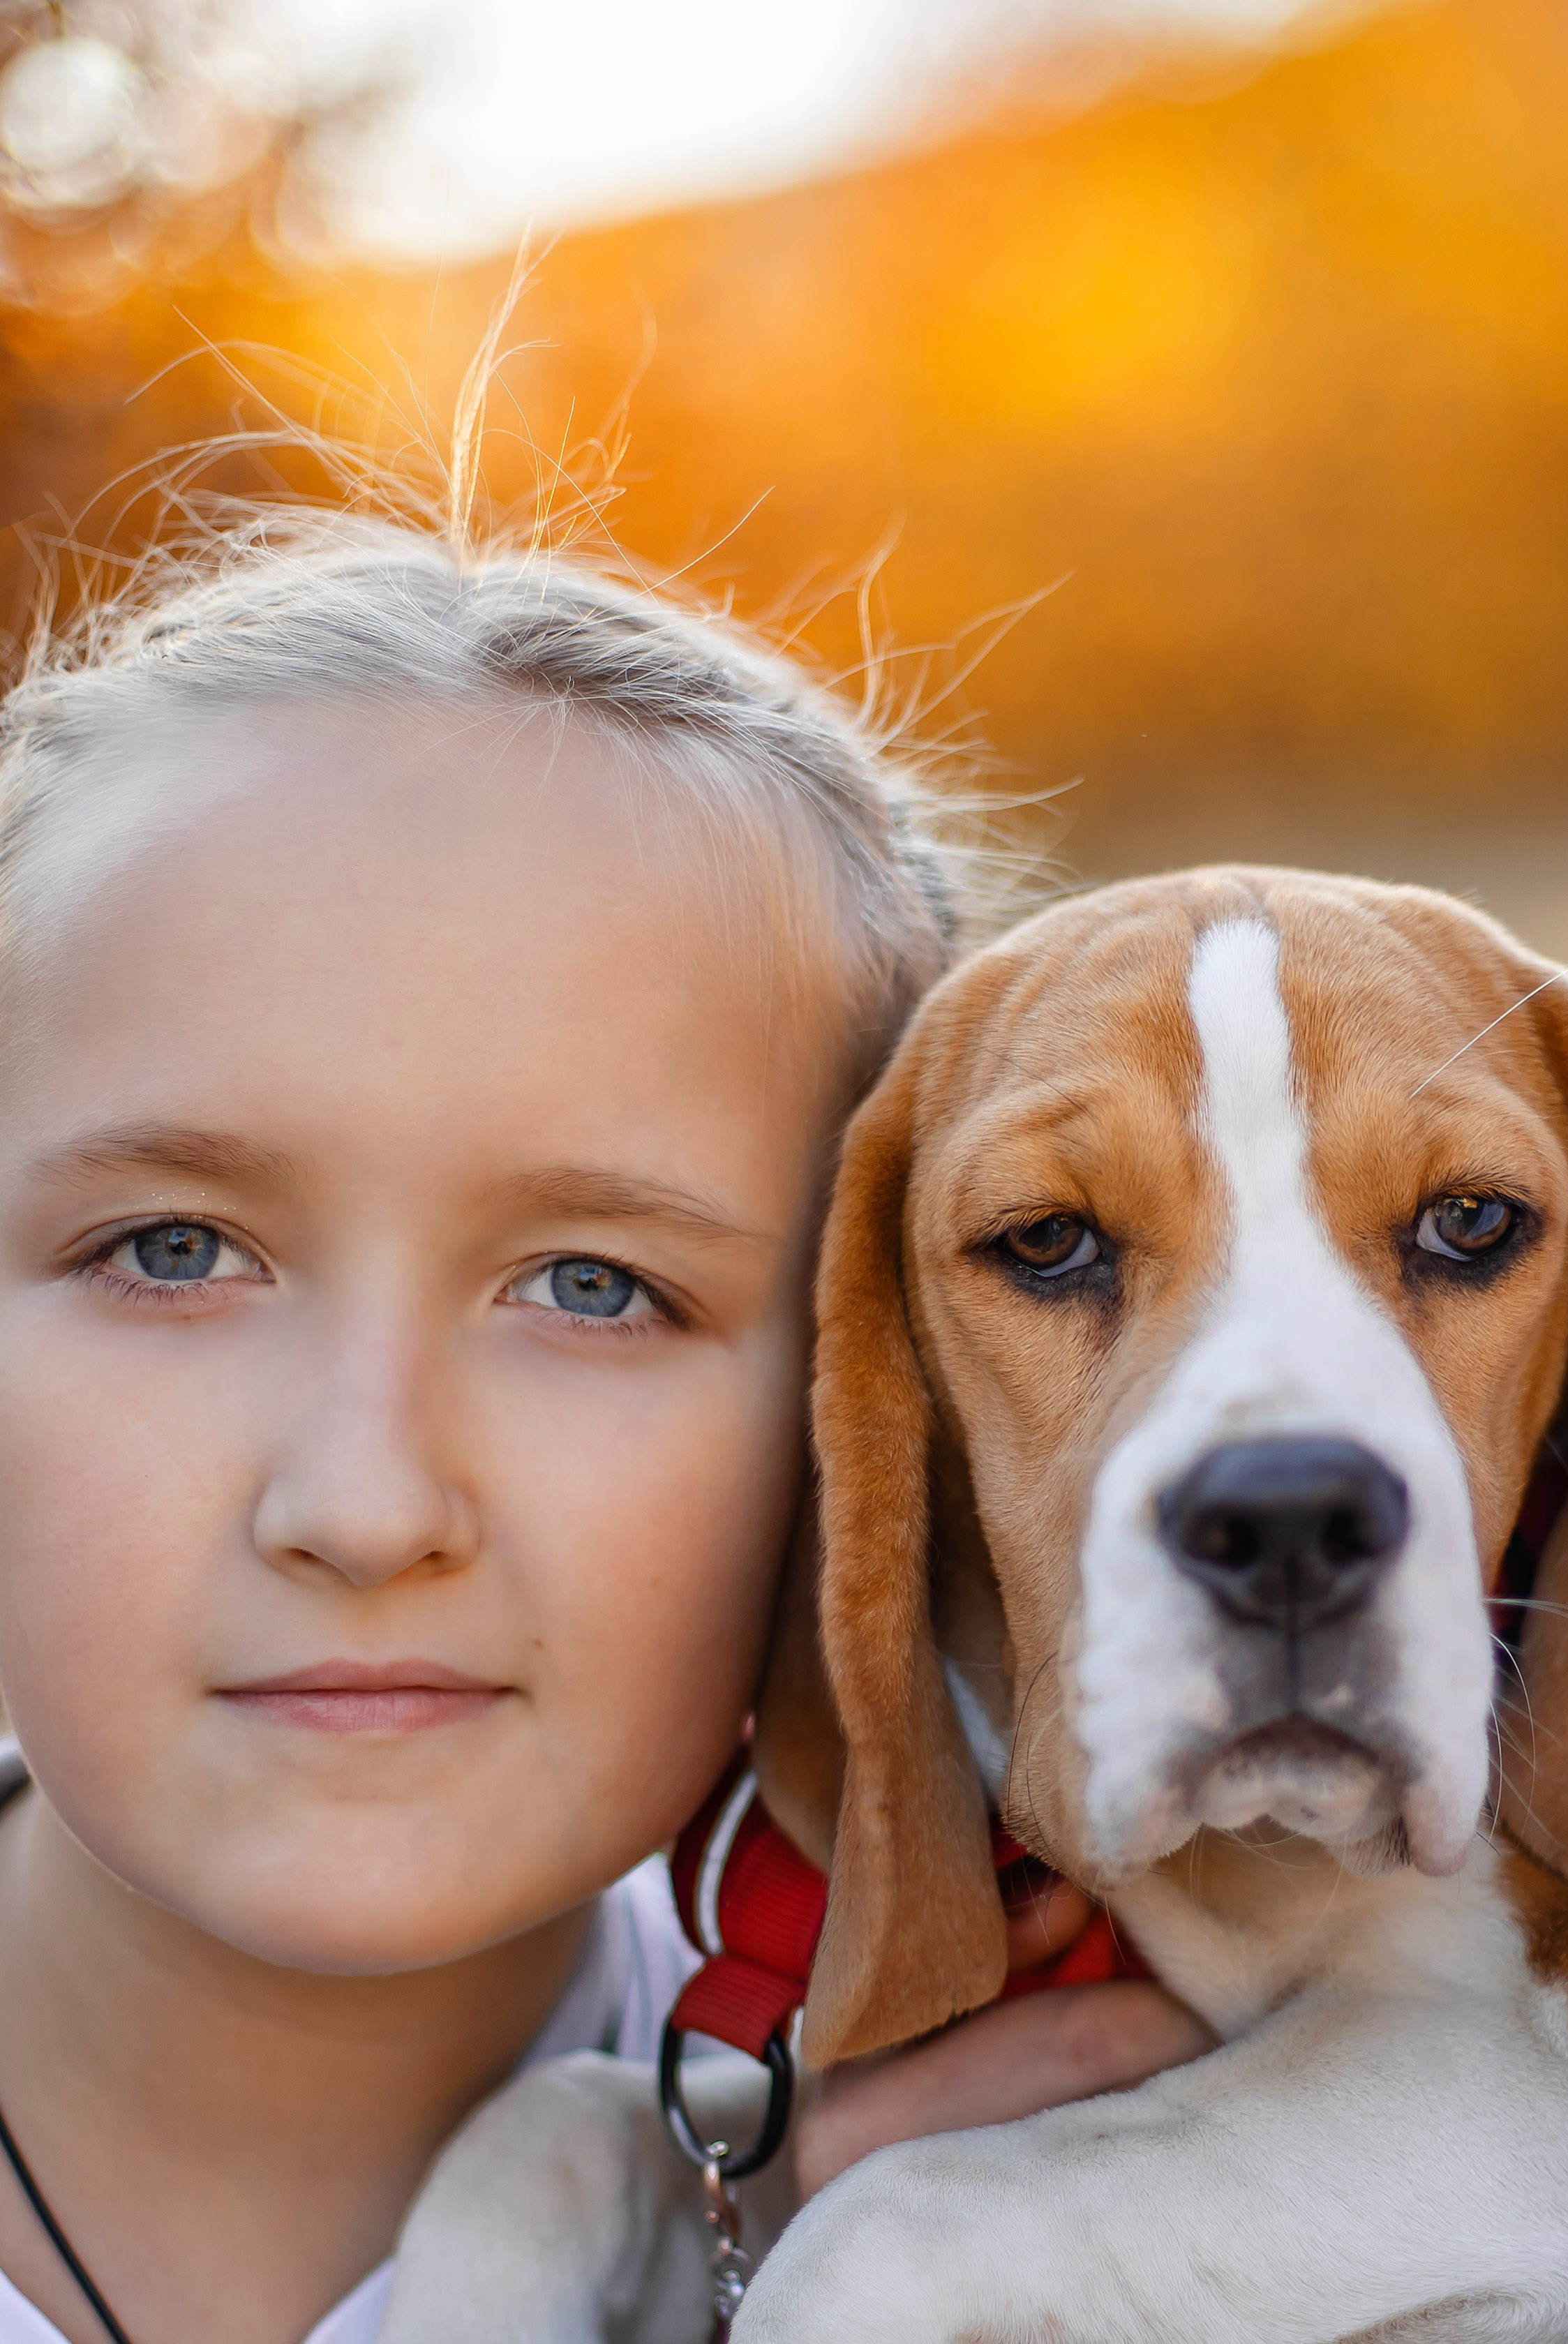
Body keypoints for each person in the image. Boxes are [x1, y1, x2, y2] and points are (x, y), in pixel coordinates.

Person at [0, 498, 1210, 2344]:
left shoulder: (1212, 2216)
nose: (365, 1499)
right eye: (174, 1250)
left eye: (591, 1286)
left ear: (870, 1422)